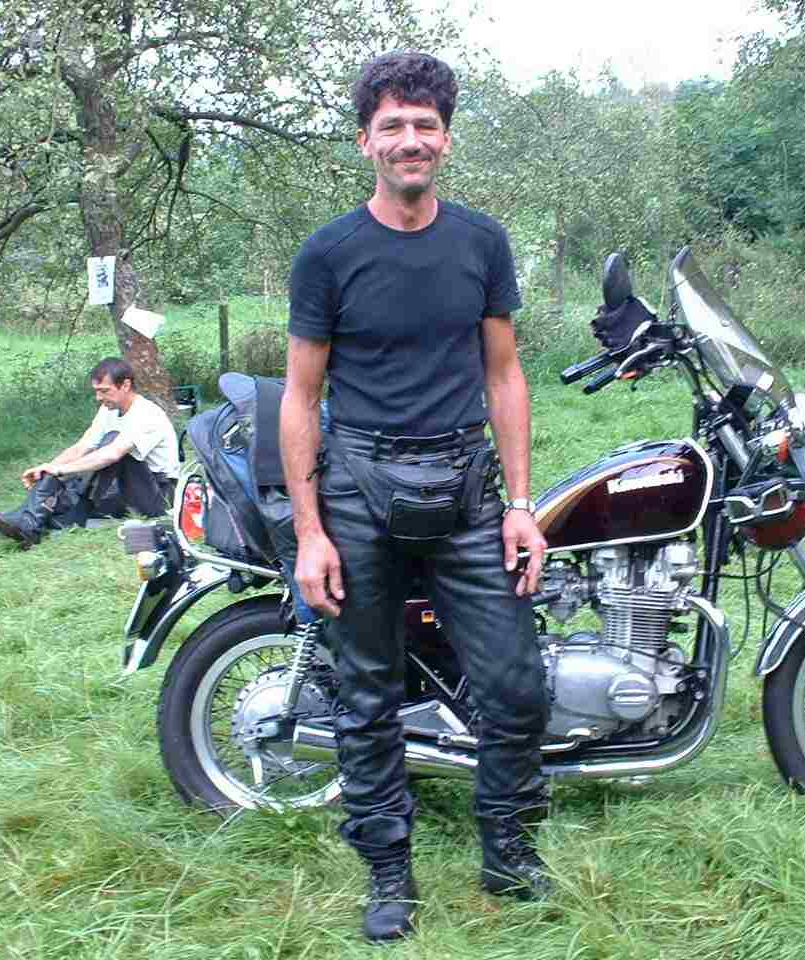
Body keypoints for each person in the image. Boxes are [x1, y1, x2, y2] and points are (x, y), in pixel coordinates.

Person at [281, 51, 550, 943]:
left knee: (514, 683)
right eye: (392, 125)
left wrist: (520, 504)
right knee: (366, 693)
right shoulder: (327, 254)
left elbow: (504, 376)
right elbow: (302, 398)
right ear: (366, 141)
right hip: (359, 489)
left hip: (467, 486)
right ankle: (388, 870)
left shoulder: (482, 242)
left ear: (445, 139)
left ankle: (508, 850)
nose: (410, 140)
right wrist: (311, 531)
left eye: (425, 125)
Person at [0, 357, 180, 549]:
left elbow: (112, 455)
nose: (98, 397)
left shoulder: (147, 414)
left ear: (125, 385)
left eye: (104, 390)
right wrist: (48, 468)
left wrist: (61, 471)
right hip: (121, 488)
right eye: (96, 391)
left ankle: (31, 521)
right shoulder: (109, 409)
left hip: (158, 494)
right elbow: (82, 446)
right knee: (54, 506)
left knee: (110, 445)